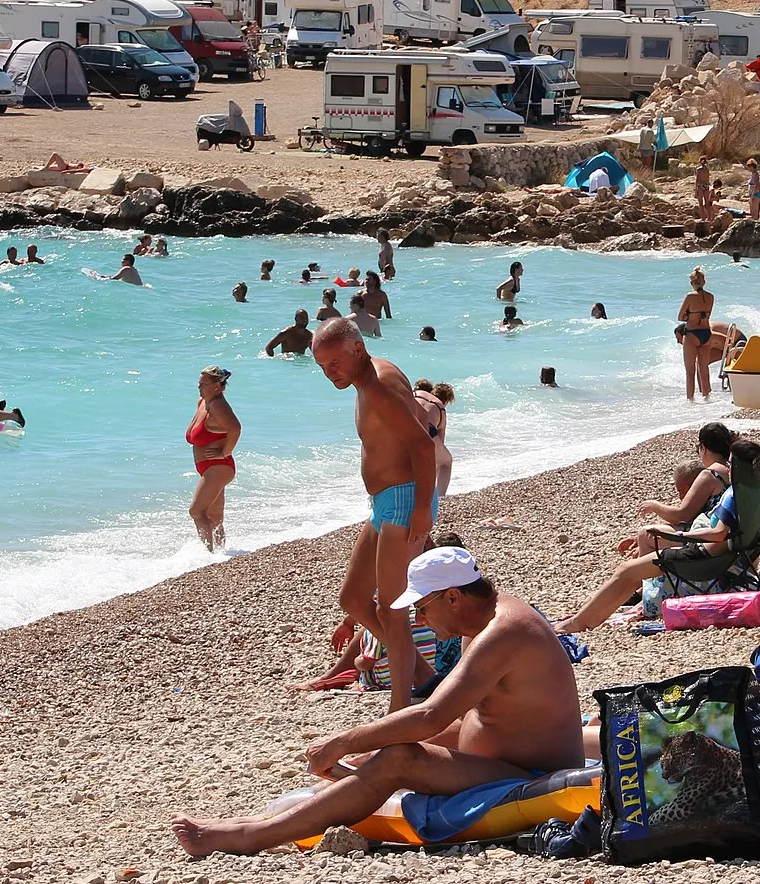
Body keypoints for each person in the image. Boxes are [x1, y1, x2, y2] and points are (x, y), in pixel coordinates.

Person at [172, 547, 583, 859]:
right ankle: (267, 820)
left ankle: (252, 838)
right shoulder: (485, 616)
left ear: (453, 597)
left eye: (422, 608)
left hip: (531, 772)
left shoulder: (504, 630)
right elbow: (464, 711)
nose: (419, 620)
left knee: (398, 757)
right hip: (503, 750)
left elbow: (429, 715)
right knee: (385, 749)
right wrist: (367, 745)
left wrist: (343, 741)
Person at [312, 317, 436, 711]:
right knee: (354, 598)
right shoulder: (367, 378)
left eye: (335, 364)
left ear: (357, 350)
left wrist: (422, 509)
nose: (329, 373)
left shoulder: (379, 387)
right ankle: (425, 678)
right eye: (322, 367)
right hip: (385, 502)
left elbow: (422, 445)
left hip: (403, 500)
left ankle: (400, 709)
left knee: (392, 609)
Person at [558, 438, 760, 633]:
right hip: (732, 560)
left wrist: (684, 536)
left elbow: (718, 535)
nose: (727, 467)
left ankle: (579, 622)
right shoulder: (754, 493)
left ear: (736, 466)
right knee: (632, 570)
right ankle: (586, 617)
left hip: (704, 561)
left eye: (730, 463)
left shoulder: (732, 496)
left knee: (627, 571)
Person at [186, 367, 241, 551]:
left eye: (204, 384)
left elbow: (235, 429)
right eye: (199, 383)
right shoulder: (203, 402)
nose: (199, 387)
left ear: (217, 386)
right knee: (214, 515)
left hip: (218, 467)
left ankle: (207, 554)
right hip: (211, 467)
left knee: (196, 511)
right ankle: (220, 554)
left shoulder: (218, 405)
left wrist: (224, 452)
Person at [677, 266, 716, 402]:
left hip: (692, 334)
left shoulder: (690, 296)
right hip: (706, 333)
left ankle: (690, 400)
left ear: (691, 282)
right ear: (704, 282)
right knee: (704, 369)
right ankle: (707, 398)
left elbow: (680, 316)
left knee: (690, 371)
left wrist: (690, 316)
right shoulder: (711, 297)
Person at [414, 380, 456, 502]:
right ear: (446, 400)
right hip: (428, 429)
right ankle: (439, 498)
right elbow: (439, 443)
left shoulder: (416, 394)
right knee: (445, 462)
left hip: (404, 423)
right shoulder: (440, 408)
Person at [694, 159, 715, 224]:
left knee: (700, 203)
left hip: (701, 186)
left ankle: (703, 218)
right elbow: (708, 178)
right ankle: (709, 217)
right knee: (707, 203)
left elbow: (697, 180)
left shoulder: (699, 169)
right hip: (706, 186)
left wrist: (696, 190)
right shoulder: (707, 169)